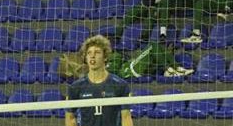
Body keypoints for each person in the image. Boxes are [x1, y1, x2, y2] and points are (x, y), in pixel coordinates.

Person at [59, 41, 194, 80]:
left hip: (130, 66)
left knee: (158, 47)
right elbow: (116, 65)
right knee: (152, 46)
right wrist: (113, 56)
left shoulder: (101, 64)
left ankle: (173, 68)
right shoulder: (99, 71)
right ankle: (172, 69)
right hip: (128, 71)